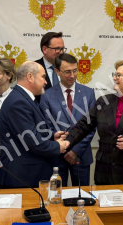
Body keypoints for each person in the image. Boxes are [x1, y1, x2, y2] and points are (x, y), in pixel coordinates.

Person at [64, 60, 123, 185]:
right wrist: (67, 142)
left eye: (119, 75)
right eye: (114, 74)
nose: (114, 78)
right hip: (105, 172)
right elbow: (83, 126)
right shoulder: (104, 102)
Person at [0, 61, 67, 188]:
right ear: (30, 77)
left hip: (28, 174)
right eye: (43, 77)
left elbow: (32, 131)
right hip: (22, 177)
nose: (46, 82)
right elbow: (31, 140)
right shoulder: (18, 102)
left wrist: (52, 136)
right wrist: (57, 146)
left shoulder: (24, 98)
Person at [40, 53, 96, 186]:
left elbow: (92, 126)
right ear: (57, 71)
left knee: (82, 196)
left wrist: (75, 150)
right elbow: (47, 125)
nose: (72, 75)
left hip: (81, 155)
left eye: (75, 70)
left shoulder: (89, 93)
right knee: (57, 197)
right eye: (67, 72)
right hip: (57, 156)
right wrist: (63, 147)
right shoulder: (47, 95)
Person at [35, 32, 66, 101]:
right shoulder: (34, 68)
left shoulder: (67, 67)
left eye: (62, 49)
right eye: (57, 49)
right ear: (44, 49)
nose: (61, 52)